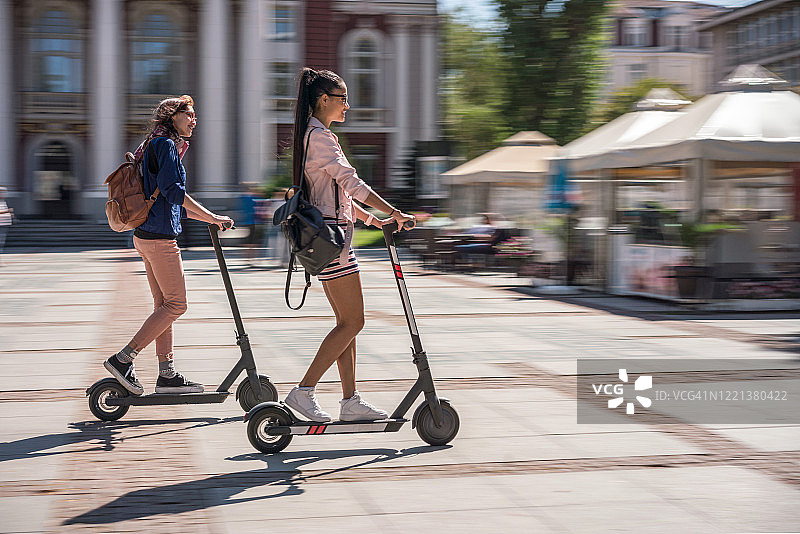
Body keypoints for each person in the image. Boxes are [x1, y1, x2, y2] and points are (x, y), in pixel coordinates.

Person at [283, 68, 415, 422]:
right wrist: (395, 211)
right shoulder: (321, 137)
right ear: (323, 100)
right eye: (343, 98)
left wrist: (377, 220)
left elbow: (338, 195)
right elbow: (352, 184)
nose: (348, 106)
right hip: (331, 242)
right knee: (353, 321)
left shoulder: (312, 135)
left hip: (330, 238)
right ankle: (303, 392)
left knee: (347, 322)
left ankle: (350, 401)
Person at [104, 95, 233, 396]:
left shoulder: (153, 143)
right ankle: (124, 359)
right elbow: (175, 193)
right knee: (177, 304)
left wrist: (210, 220)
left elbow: (173, 202)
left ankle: (167, 375)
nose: (194, 119)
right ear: (171, 116)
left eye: (194, 115)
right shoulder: (165, 146)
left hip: (145, 236)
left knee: (164, 306)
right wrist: (213, 216)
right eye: (188, 114)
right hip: (160, 240)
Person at [0, 187, 13, 262]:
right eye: (2, 192)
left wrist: (9, 214)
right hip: (1, 225)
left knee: (1, 243)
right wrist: (7, 211)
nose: (4, 194)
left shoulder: (2, 201)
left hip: (4, 224)